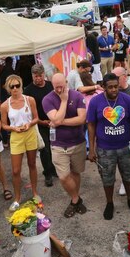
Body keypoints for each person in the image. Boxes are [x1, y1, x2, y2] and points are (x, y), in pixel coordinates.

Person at [87, 73, 130, 220]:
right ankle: (109, 203)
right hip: (105, 149)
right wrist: (91, 149)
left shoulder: (128, 100)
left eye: (116, 86)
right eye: (110, 87)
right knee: (107, 177)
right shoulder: (95, 102)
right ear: (104, 87)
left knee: (129, 176)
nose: (114, 90)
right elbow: (91, 125)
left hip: (126, 146)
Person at [44, 73, 89, 218]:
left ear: (67, 82)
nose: (58, 90)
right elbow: (54, 119)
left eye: (61, 86)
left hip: (78, 142)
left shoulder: (77, 96)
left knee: (76, 172)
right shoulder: (47, 99)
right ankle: (76, 198)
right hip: (58, 145)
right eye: (56, 87)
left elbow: (81, 119)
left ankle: (75, 199)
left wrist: (59, 121)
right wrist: (63, 101)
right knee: (63, 176)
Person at [0, 75, 40, 210]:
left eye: (18, 85)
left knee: (32, 163)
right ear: (8, 88)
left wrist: (29, 124)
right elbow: (4, 125)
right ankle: (17, 198)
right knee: (16, 170)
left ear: (21, 86)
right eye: (12, 86)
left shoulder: (30, 100)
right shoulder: (5, 105)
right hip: (16, 136)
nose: (16, 88)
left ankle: (35, 193)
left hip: (30, 133)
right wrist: (13, 128)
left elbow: (36, 118)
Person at [24, 64, 56, 187]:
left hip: (54, 121)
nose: (38, 78)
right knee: (45, 149)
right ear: (32, 76)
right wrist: (40, 121)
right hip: (39, 124)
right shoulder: (28, 90)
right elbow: (28, 111)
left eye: (40, 76)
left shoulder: (50, 85)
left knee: (54, 148)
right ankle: (47, 173)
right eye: (35, 76)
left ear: (44, 74)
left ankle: (53, 169)